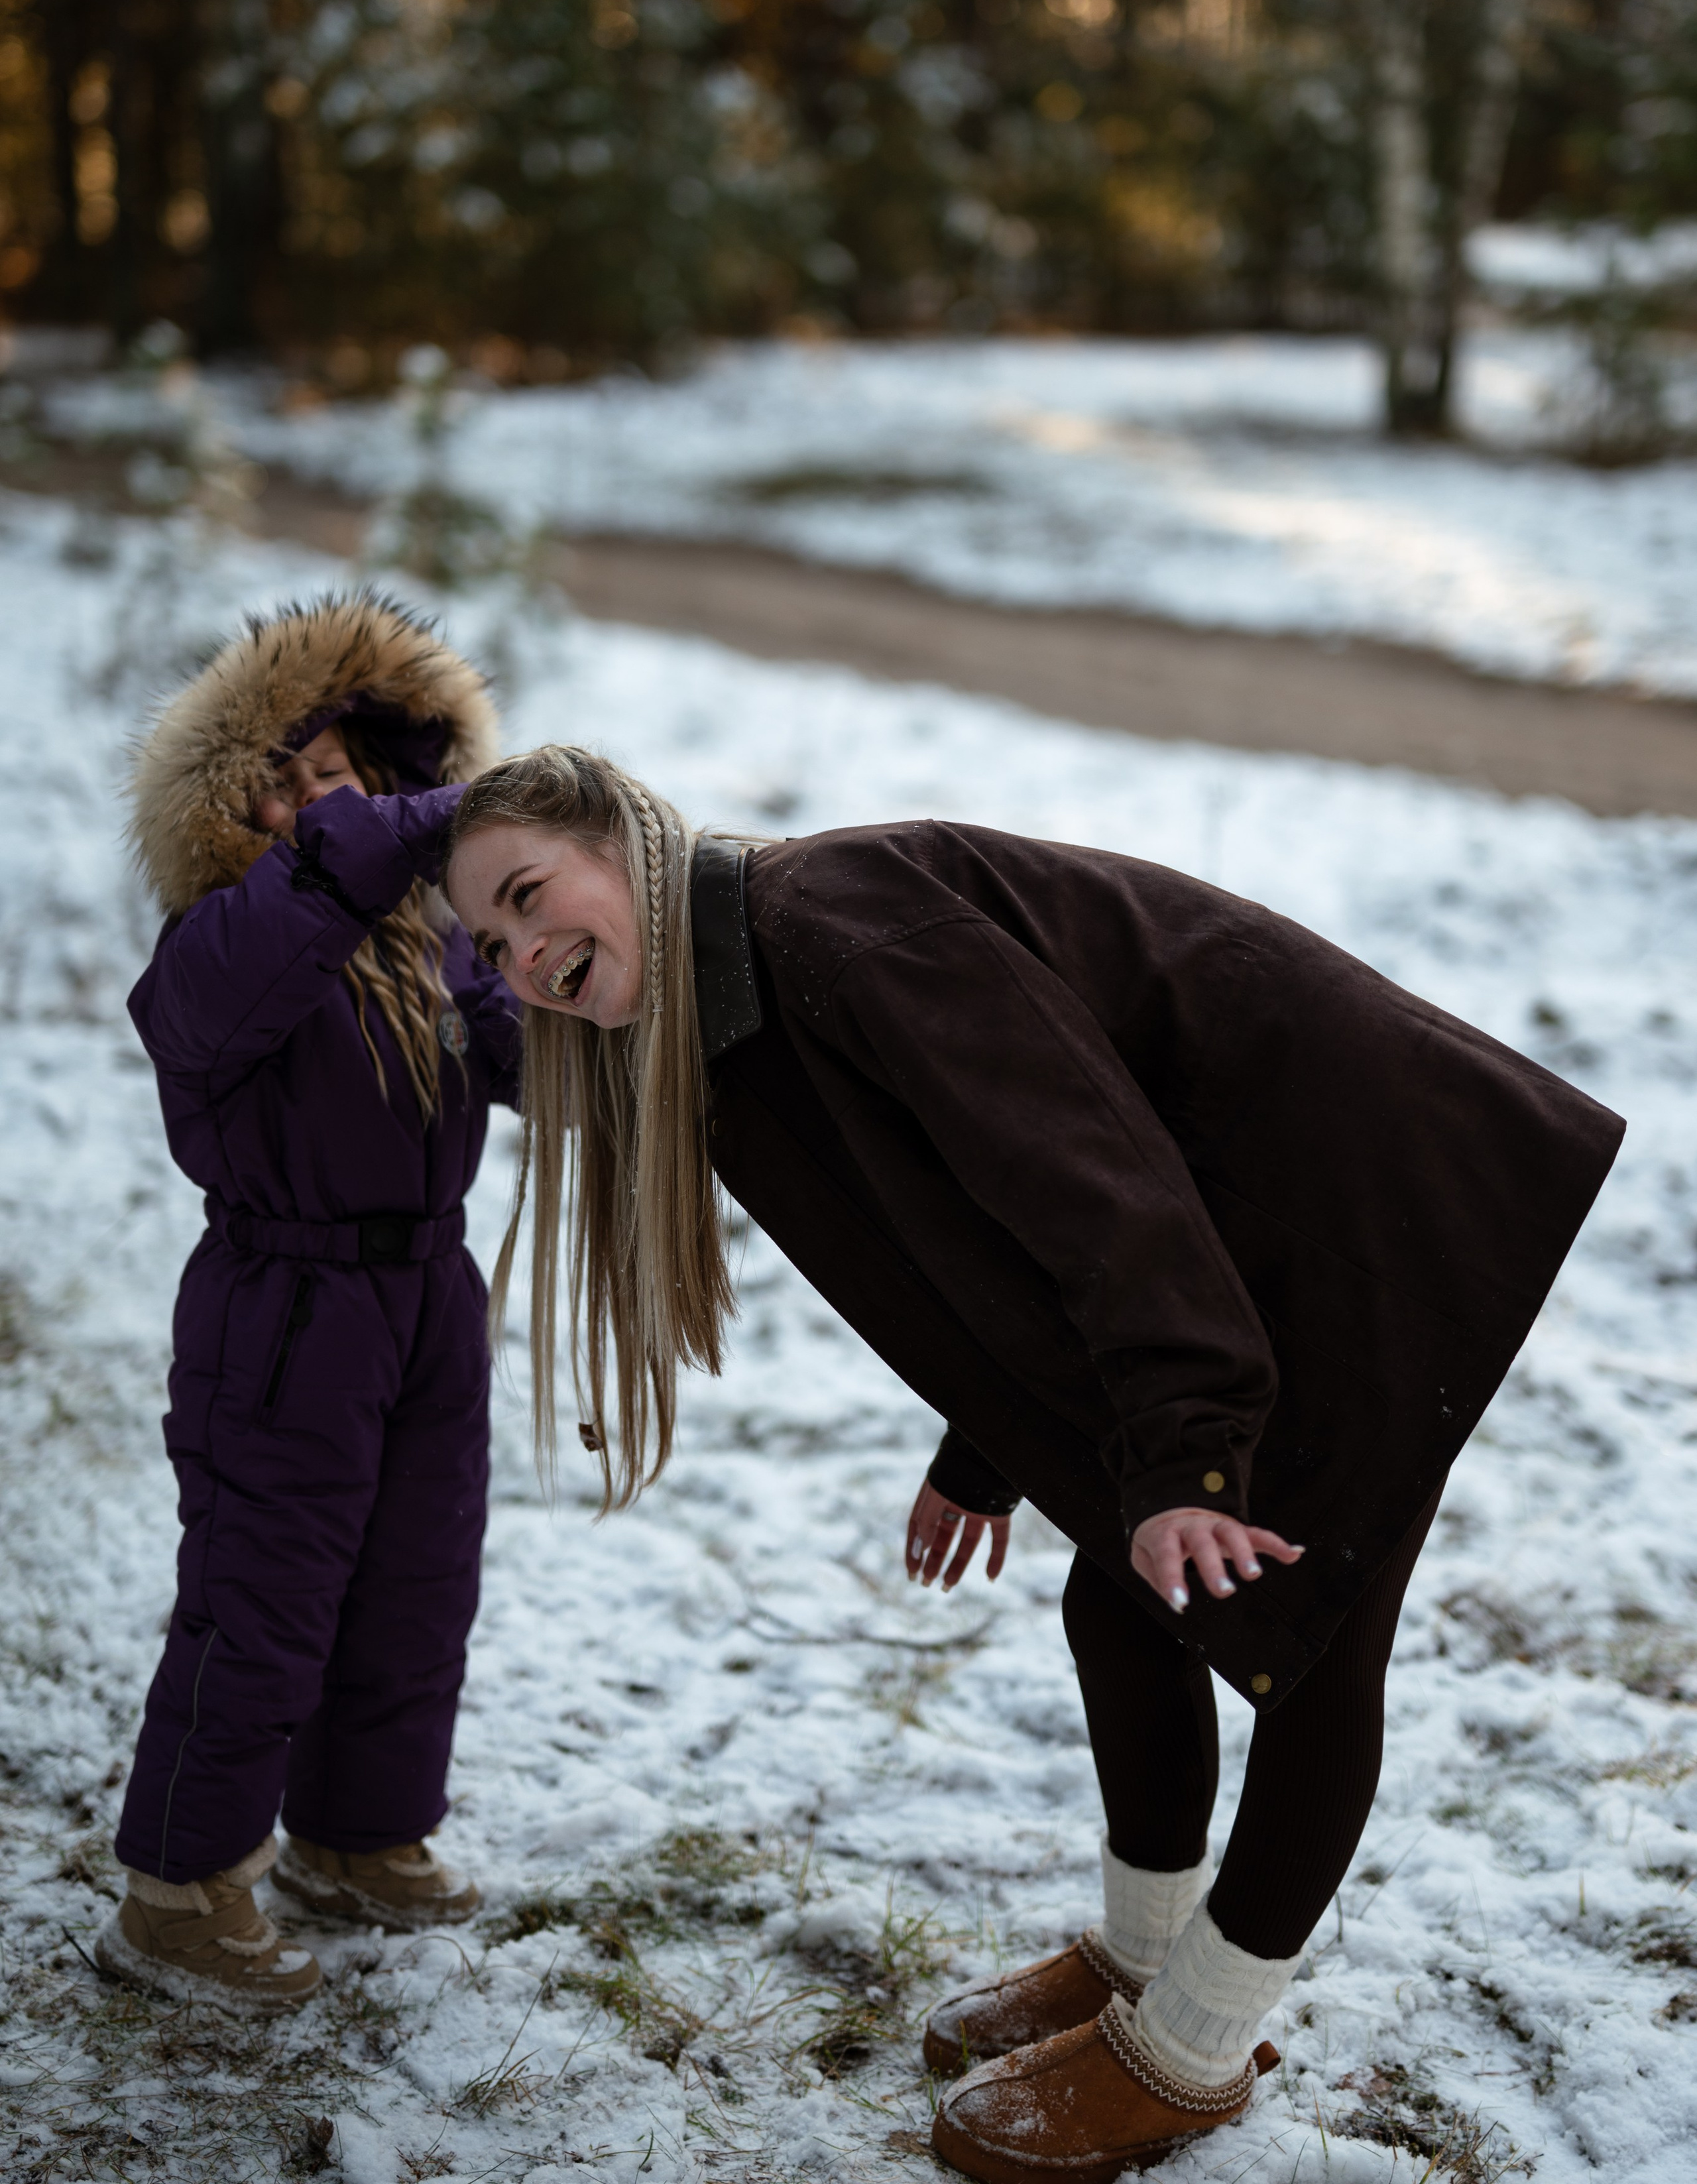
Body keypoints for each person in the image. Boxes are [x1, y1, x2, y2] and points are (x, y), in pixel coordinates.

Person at [441, 746, 1623, 2178]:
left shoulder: (836, 930)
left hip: (1352, 1197)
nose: (523, 954)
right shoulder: (728, 1008)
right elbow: (981, 1223)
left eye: (527, 894)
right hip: (1217, 1225)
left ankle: (1190, 2050)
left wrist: (1187, 1456)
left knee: (1304, 1641)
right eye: (490, 943)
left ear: (621, 841)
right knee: (1118, 1598)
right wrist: (990, 1451)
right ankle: (1137, 1961)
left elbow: (1087, 1173)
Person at [97, 593, 520, 2014]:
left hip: (427, 1297)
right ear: (231, 812)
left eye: (336, 777)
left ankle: (355, 1827)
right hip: (284, 1309)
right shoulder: (218, 943)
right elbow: (226, 1000)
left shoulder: (429, 940)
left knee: (414, 1577)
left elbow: (520, 1037)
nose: (315, 805)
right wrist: (356, 857)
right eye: (279, 787)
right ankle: (178, 1884)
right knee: (262, 1595)